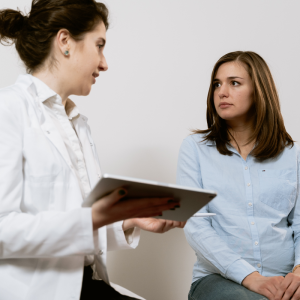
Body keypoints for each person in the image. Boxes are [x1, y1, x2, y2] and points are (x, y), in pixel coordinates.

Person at [0, 1, 185, 299]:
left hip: (87, 283)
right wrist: (93, 217)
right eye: (99, 46)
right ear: (65, 42)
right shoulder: (7, 109)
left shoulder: (77, 124)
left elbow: (78, 227)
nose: (104, 63)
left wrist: (128, 219)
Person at [176, 51, 300, 300]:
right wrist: (251, 278)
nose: (222, 92)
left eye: (234, 83)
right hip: (219, 280)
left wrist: (298, 275)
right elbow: (196, 226)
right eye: (217, 84)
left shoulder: (291, 153)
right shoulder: (194, 149)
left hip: (287, 276)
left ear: (259, 90)